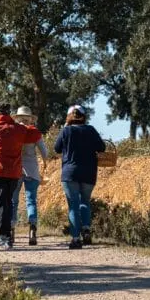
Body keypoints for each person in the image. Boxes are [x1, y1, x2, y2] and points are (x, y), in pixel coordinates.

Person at [0, 102, 43, 249]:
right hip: (13, 173)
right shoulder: (19, 129)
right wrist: (28, 125)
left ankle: (5, 238)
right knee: (8, 203)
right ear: (9, 113)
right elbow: (36, 134)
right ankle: (7, 236)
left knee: (1, 205)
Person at [54, 105, 105, 249]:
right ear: (84, 116)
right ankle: (86, 229)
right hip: (89, 172)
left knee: (73, 206)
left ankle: (76, 238)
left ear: (69, 116)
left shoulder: (66, 131)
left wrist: (65, 128)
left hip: (70, 173)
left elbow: (57, 148)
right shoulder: (91, 130)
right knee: (85, 201)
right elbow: (102, 147)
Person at [12, 106, 49, 247]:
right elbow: (44, 153)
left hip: (15, 169)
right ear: (30, 119)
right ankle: (32, 229)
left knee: (13, 201)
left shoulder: (14, 132)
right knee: (31, 200)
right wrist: (45, 164)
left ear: (18, 118)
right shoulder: (34, 133)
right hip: (32, 170)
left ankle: (11, 229)